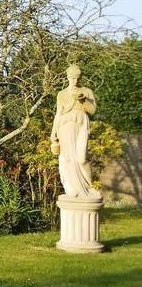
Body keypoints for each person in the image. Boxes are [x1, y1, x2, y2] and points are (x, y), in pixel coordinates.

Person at [50, 64, 100, 198]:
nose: (76, 81)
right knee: (67, 159)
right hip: (65, 125)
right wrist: (53, 132)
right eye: (73, 78)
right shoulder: (62, 94)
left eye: (78, 78)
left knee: (82, 159)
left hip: (82, 124)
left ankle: (89, 187)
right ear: (67, 77)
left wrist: (84, 100)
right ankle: (71, 188)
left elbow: (93, 111)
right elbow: (58, 114)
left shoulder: (87, 91)